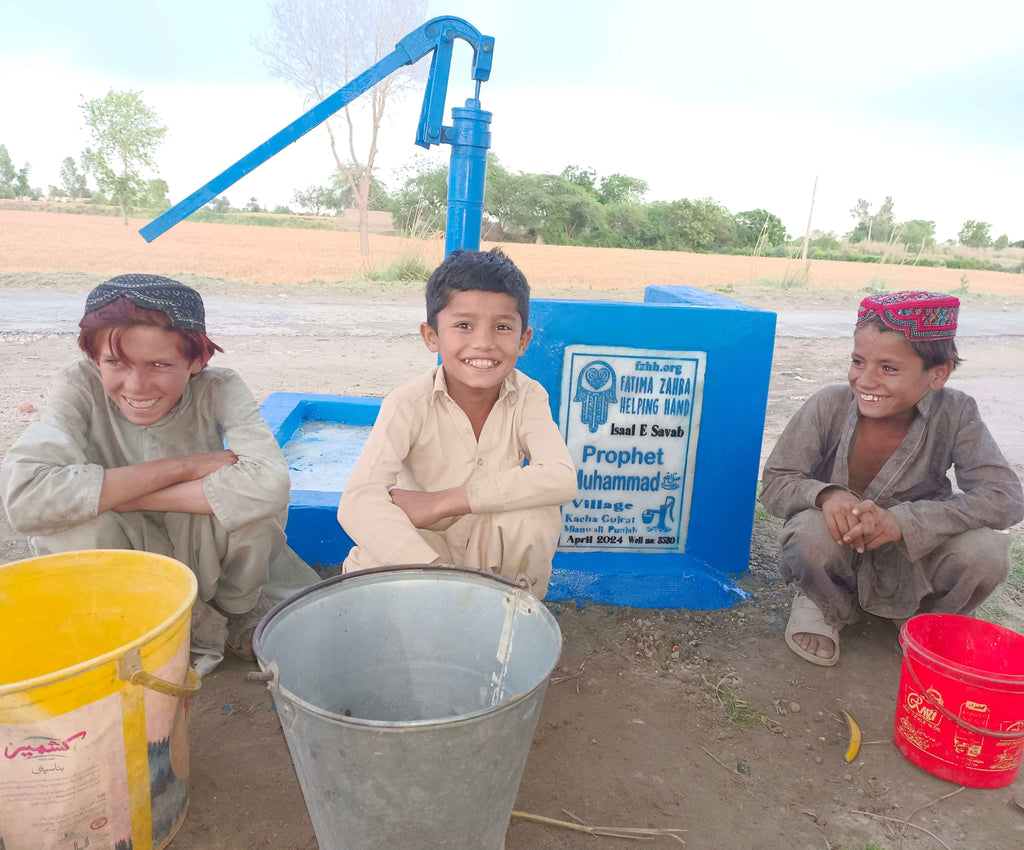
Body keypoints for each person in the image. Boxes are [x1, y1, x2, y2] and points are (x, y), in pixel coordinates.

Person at [0, 274, 318, 671]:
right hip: (118, 548)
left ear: (197, 361)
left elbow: (269, 485)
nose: (136, 385)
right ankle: (140, 620)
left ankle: (238, 610)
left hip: (196, 542)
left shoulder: (220, 388)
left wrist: (117, 492)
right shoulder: (80, 385)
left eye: (159, 364)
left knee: (254, 511)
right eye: (115, 362)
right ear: (93, 357)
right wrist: (183, 467)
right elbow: (26, 499)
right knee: (68, 526)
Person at [760, 290, 1023, 666]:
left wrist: (906, 521)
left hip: (914, 557)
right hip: (840, 546)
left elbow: (1005, 497)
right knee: (808, 534)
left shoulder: (957, 412)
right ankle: (823, 604)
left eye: (889, 368)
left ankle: (930, 621)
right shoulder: (829, 404)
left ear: (938, 374)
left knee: (988, 552)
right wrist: (827, 496)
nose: (865, 380)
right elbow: (776, 482)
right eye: (858, 361)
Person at [337, 248, 577, 598]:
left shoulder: (529, 396)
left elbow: (561, 477)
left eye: (502, 327)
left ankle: (510, 622)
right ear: (431, 336)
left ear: (523, 340)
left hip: (490, 551)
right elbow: (358, 500)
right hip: (422, 547)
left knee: (534, 517)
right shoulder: (408, 403)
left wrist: (445, 502)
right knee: (372, 561)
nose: (483, 342)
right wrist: (436, 572)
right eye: (463, 325)